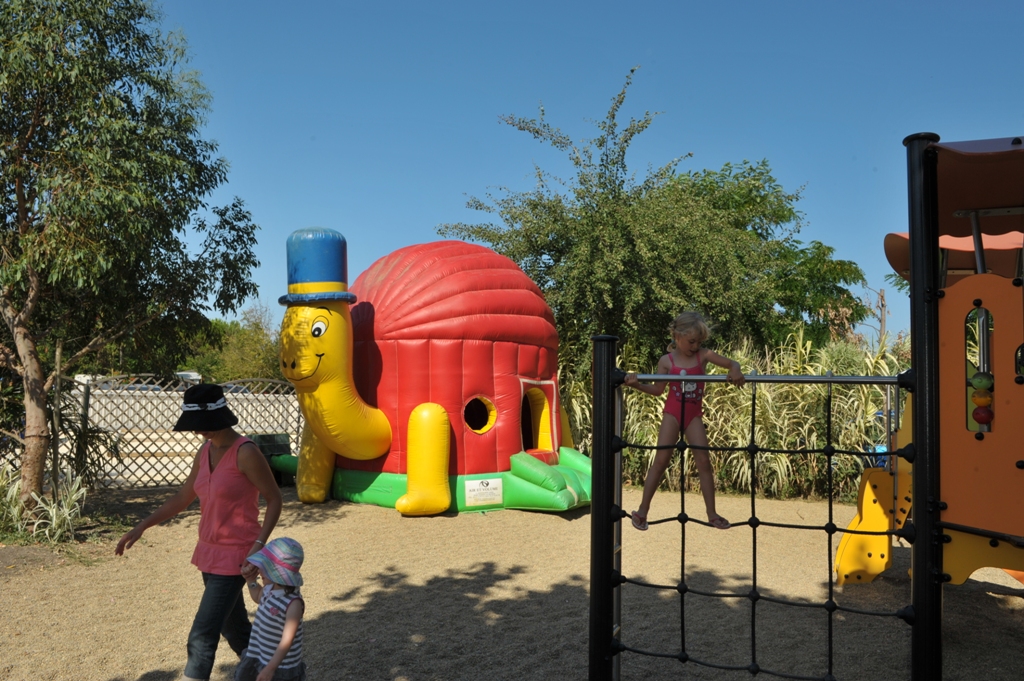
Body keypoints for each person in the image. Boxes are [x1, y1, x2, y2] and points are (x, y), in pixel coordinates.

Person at [115, 383, 283, 681]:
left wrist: (258, 545)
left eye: (202, 424)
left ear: (219, 417)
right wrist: (143, 525)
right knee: (234, 628)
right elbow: (183, 497)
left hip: (238, 555)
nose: (196, 431)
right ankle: (272, 673)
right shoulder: (205, 451)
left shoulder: (246, 452)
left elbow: (274, 499)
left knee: (201, 635)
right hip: (209, 552)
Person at [623, 311, 745, 531]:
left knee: (704, 461)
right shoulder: (666, 361)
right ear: (677, 336)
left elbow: (731, 364)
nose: (695, 346)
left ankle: (712, 513)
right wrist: (637, 385)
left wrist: (735, 370)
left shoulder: (703, 355)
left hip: (693, 415)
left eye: (699, 342)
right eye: (691, 341)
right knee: (661, 461)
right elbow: (658, 390)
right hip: (672, 414)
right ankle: (642, 511)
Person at [235, 537, 307, 681]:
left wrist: (270, 668)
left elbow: (287, 640)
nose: (259, 570)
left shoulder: (293, 603)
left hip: (280, 667)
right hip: (260, 655)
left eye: (264, 567)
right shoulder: (270, 589)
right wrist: (250, 581)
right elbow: (258, 597)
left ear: (275, 572)